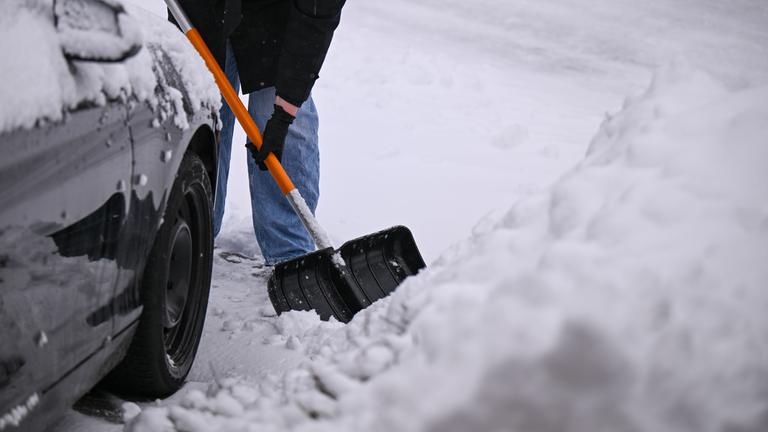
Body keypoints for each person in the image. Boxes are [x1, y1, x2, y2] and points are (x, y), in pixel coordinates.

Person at [173, 0, 346, 265]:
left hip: (275, 17)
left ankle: (291, 257)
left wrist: (284, 113)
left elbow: (317, 14)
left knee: (285, 126)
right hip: (203, 10)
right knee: (201, 115)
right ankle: (189, 235)